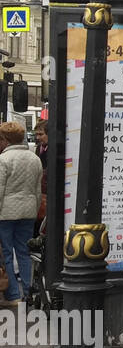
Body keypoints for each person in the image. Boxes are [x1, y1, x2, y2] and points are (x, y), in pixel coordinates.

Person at [0, 121, 43, 307]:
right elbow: (37, 189)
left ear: (5, 139)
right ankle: (28, 294)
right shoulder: (34, 159)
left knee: (6, 254)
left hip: (6, 213)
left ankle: (12, 295)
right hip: (28, 211)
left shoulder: (3, 160)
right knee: (25, 253)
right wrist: (34, 209)